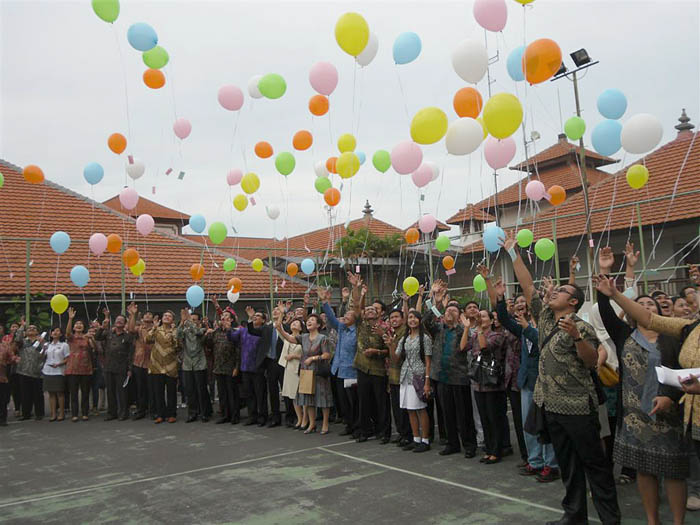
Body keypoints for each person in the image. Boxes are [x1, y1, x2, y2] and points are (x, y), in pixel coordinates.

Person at [503, 231, 620, 525]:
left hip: (579, 408)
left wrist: (577, 337)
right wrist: (512, 252)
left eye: (563, 291)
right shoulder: (543, 318)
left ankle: (610, 518)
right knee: (568, 464)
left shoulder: (582, 327)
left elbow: (592, 360)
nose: (555, 292)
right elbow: (528, 285)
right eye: (556, 290)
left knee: (595, 465)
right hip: (551, 406)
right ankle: (574, 515)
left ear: (574, 302)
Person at [595, 278, 688, 525]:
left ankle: (678, 521)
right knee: (644, 469)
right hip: (635, 416)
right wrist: (606, 289)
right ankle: (652, 520)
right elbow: (605, 312)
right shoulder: (624, 334)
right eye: (641, 303)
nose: (646, 307)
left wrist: (671, 397)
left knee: (674, 471)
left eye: (651, 304)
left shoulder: (674, 337)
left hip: (668, 413)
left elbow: (686, 373)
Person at [425, 280, 478, 458]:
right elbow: (425, 320)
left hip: (460, 378)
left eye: (454, 310)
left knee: (464, 415)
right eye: (448, 310)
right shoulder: (438, 329)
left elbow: (467, 346)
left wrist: (465, 326)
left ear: (460, 315)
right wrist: (436, 300)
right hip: (441, 377)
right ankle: (452, 443)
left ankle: (469, 444)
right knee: (447, 414)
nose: (449, 312)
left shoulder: (464, 330)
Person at [347, 272, 390, 443]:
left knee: (381, 402)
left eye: (374, 309)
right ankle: (365, 430)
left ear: (379, 314)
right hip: (362, 368)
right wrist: (357, 288)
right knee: (364, 401)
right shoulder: (361, 324)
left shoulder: (385, 327)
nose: (370, 310)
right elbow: (358, 307)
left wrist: (377, 352)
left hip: (379, 370)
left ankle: (384, 432)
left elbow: (389, 350)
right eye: (368, 309)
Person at [275, 310, 333, 434]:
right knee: (309, 398)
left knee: (323, 398)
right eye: (308, 321)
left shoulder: (323, 338)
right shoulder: (304, 337)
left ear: (318, 325)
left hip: (319, 371)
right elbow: (290, 338)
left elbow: (327, 355)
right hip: (306, 371)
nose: (309, 322)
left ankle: (325, 424)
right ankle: (312, 424)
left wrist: (313, 358)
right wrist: (280, 329)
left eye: (312, 320)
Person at [462, 309, 507, 464]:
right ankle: (488, 449)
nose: (480, 318)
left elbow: (484, 348)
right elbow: (462, 347)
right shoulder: (475, 334)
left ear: (491, 320)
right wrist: (467, 328)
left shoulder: (497, 335)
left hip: (492, 382)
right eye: (479, 316)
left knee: (494, 417)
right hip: (478, 382)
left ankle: (497, 450)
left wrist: (480, 330)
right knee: (484, 417)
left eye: (483, 316)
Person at [385, 310, 432, 453]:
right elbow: (395, 358)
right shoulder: (404, 339)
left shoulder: (425, 338)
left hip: (418, 376)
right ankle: (415, 438)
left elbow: (428, 361)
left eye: (415, 317)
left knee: (420, 409)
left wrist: (427, 381)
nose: (412, 320)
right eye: (410, 317)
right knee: (410, 409)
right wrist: (391, 345)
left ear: (419, 320)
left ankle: (425, 440)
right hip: (405, 376)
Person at [321, 288, 359, 438]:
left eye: (348, 315)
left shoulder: (357, 331)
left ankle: (358, 426)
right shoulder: (342, 329)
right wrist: (325, 301)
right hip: (339, 370)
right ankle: (349, 425)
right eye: (344, 315)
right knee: (343, 402)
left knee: (354, 401)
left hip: (352, 371)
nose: (345, 317)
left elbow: (357, 307)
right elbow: (331, 317)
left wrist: (354, 291)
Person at [226, 307, 268, 426]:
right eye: (254, 316)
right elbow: (232, 338)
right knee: (249, 394)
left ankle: (262, 416)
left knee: (260, 394)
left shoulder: (264, 331)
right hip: (245, 367)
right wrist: (229, 329)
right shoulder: (243, 330)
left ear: (264, 321)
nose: (255, 317)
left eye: (258, 316)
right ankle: (252, 416)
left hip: (258, 367)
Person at [96, 308, 135, 421]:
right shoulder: (109, 334)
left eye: (121, 320)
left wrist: (130, 368)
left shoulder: (127, 336)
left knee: (122, 392)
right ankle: (112, 413)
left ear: (124, 323)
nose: (119, 321)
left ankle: (123, 412)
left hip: (122, 368)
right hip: (108, 367)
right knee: (110, 391)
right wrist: (103, 326)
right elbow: (97, 337)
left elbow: (130, 354)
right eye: (117, 320)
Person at [205, 311, 240, 425]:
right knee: (222, 393)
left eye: (226, 316)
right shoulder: (216, 332)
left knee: (232, 393)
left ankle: (235, 416)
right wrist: (208, 333)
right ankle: (225, 415)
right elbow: (209, 346)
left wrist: (237, 367)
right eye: (222, 316)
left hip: (230, 367)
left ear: (231, 320)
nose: (223, 318)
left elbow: (238, 350)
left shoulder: (235, 332)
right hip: (218, 366)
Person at [384, 306, 412, 447]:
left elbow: (398, 356)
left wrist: (406, 302)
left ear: (402, 319)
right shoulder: (392, 333)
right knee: (396, 407)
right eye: (391, 318)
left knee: (404, 409)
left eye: (396, 317)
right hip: (393, 376)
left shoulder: (405, 332)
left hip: (404, 375)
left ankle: (408, 435)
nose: (394, 320)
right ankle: (401, 433)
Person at [177, 309, 210, 423]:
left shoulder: (202, 329)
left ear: (199, 321)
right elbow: (178, 334)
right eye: (191, 319)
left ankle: (205, 412)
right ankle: (192, 413)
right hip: (187, 364)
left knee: (201, 389)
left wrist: (189, 322)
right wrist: (182, 322)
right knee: (189, 390)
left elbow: (198, 332)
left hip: (199, 363)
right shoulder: (186, 330)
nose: (191, 321)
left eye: (194, 320)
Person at [147, 311, 179, 424]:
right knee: (158, 392)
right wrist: (153, 328)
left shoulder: (175, 331)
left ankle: (172, 414)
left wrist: (173, 333)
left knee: (171, 391)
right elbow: (147, 339)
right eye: (165, 315)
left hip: (171, 365)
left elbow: (178, 345)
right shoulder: (156, 329)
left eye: (169, 316)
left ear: (172, 320)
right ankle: (160, 414)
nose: (166, 317)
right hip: (156, 365)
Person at [65, 308, 95, 422]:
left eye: (81, 324)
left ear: (84, 327)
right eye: (76, 324)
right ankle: (74, 414)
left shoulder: (87, 337)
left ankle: (85, 413)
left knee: (85, 392)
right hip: (73, 368)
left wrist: (91, 339)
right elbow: (67, 332)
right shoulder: (71, 338)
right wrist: (70, 319)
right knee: (74, 392)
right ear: (74, 327)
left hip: (86, 368)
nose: (78, 325)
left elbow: (94, 349)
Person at [126, 302, 153, 420]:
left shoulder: (156, 328)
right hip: (139, 362)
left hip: (152, 362)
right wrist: (133, 315)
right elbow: (130, 329)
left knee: (152, 388)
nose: (147, 315)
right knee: (140, 388)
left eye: (149, 314)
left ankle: (153, 409)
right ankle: (141, 409)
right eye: (145, 314)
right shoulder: (139, 328)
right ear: (142, 318)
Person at [15, 322, 46, 420]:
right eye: (29, 328)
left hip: (38, 372)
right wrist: (22, 326)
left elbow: (44, 354)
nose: (31, 329)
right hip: (23, 371)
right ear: (26, 332)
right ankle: (26, 414)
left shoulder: (42, 342)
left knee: (38, 394)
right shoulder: (23, 342)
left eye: (34, 328)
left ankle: (39, 413)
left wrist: (41, 343)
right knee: (25, 394)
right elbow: (17, 339)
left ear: (37, 332)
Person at [277, 318, 303, 428]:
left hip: (300, 368)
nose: (294, 323)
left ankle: (305, 418)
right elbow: (278, 327)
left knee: (302, 396)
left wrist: (294, 356)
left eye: (296, 322)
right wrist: (281, 313)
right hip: (289, 369)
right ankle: (299, 419)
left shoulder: (304, 338)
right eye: (292, 322)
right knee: (293, 396)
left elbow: (308, 354)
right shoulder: (287, 337)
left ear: (302, 328)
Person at [42, 326, 70, 422]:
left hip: (59, 371)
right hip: (48, 371)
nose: (54, 332)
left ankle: (61, 413)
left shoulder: (64, 345)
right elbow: (42, 356)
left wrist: (59, 364)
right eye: (53, 331)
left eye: (57, 331)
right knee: (51, 393)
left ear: (61, 334)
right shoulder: (47, 345)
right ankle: (53, 413)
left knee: (60, 393)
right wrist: (42, 346)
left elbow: (67, 358)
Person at [0, 334, 19, 426]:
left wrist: (16, 359)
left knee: (3, 399)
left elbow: (11, 357)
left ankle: (3, 419)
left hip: (2, 376)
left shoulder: (4, 347)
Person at [2, 323, 21, 418]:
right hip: (7, 366)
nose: (14, 328)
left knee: (17, 388)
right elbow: (8, 349)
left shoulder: (21, 337)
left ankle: (18, 408)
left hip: (18, 366)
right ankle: (5, 406)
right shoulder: (6, 338)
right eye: (13, 326)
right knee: (7, 388)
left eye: (16, 327)